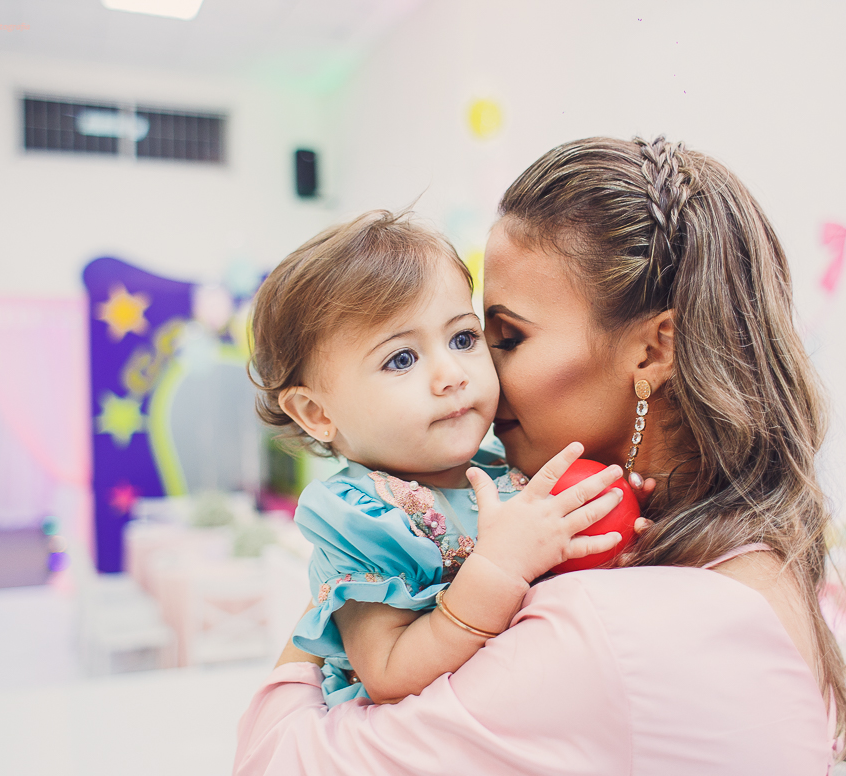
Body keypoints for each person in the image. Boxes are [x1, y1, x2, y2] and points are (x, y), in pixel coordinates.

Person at [233, 137, 846, 776]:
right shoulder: (759, 557)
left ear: (652, 350)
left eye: (495, 337)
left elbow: (272, 775)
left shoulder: (595, 637)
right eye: (401, 358)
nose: (472, 376)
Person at [249, 210, 629, 708]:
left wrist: (612, 540)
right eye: (401, 359)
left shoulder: (504, 468)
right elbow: (387, 672)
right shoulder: (362, 518)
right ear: (316, 412)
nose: (451, 373)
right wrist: (496, 568)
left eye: (464, 339)